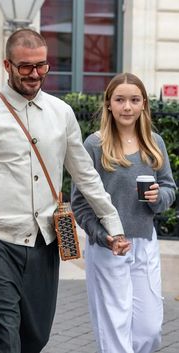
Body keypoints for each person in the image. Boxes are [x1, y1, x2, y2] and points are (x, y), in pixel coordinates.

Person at [0, 29, 130, 353]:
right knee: (4, 337)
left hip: (45, 243)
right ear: (7, 64)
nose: (34, 74)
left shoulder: (61, 114)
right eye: (25, 67)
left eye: (41, 66)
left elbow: (85, 176)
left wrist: (113, 226)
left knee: (36, 337)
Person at [71, 72, 177, 353]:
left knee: (150, 328)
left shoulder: (154, 142)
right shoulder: (94, 145)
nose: (126, 107)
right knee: (114, 330)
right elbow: (80, 202)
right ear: (108, 104)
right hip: (109, 247)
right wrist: (102, 235)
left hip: (144, 243)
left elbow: (169, 188)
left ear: (143, 104)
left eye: (134, 100)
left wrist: (158, 197)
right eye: (120, 100)